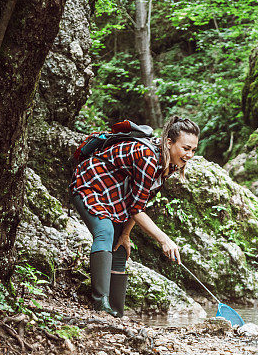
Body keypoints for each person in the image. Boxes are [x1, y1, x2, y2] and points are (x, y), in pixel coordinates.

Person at [70, 116, 200, 317]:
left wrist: (126, 234)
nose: (189, 155)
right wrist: (164, 240)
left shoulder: (169, 163)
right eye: (186, 148)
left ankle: (116, 314)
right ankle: (100, 306)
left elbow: (140, 200)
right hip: (90, 185)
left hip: (117, 195)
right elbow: (137, 209)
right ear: (169, 143)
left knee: (120, 248)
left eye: (193, 150)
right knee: (104, 232)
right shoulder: (148, 157)